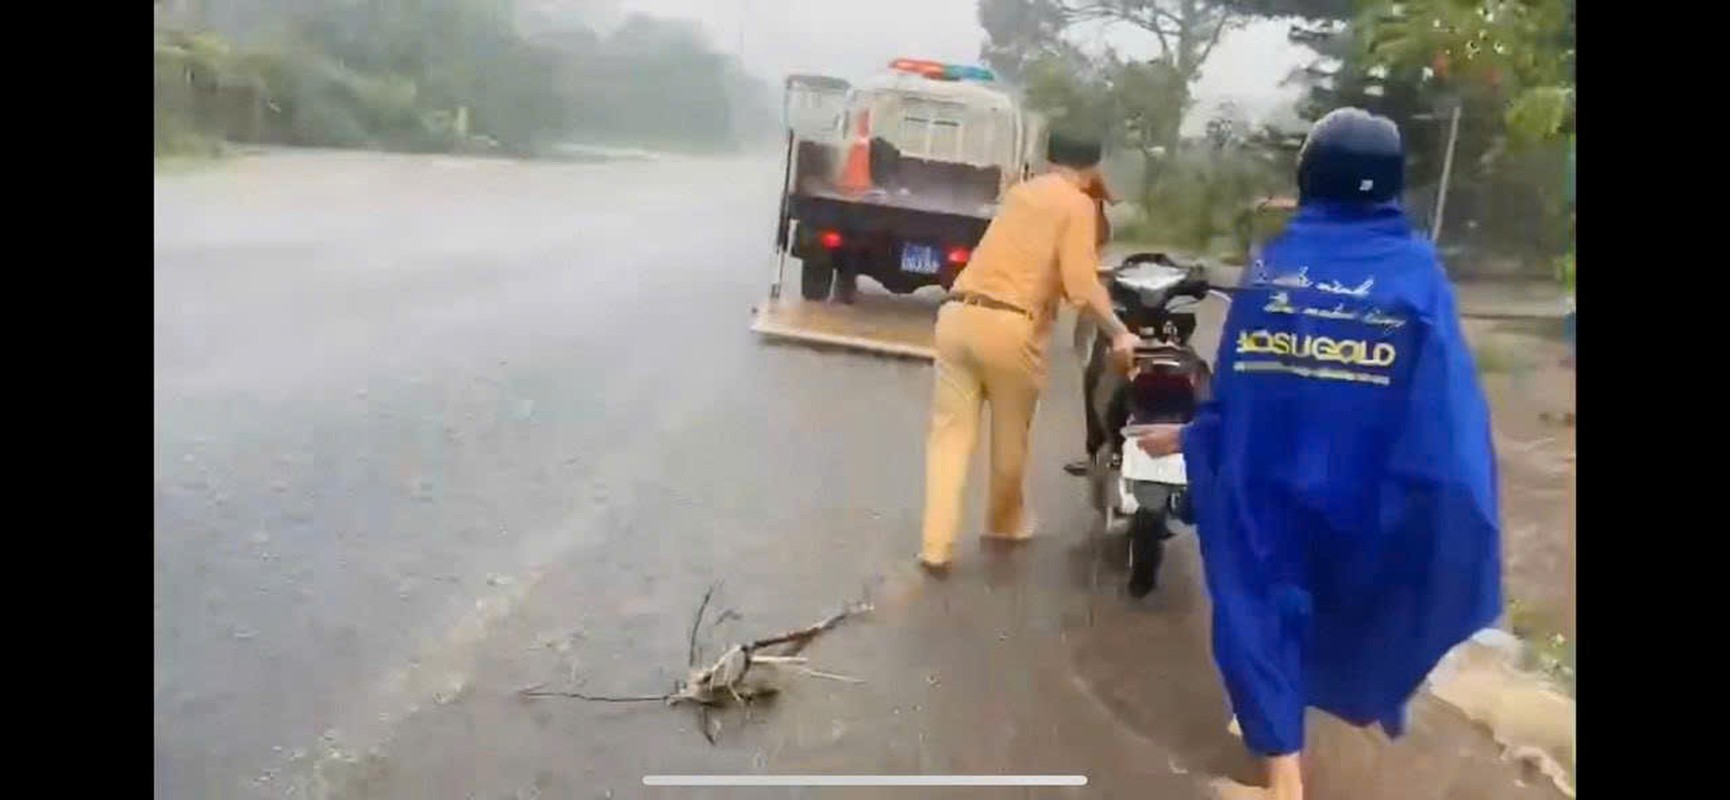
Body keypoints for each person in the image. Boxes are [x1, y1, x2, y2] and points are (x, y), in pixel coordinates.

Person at [1133, 108, 1501, 800]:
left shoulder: (1275, 269)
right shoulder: (1419, 276)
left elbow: (1242, 397)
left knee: (1256, 612)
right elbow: (1442, 406)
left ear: (1309, 177)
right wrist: (1454, 508)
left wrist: (1193, 438)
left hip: (1268, 488)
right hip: (1367, 494)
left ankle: (1283, 774)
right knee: (1352, 606)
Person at [918, 126, 1140, 571]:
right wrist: (1118, 331)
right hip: (1010, 327)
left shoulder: (1021, 193)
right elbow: (1080, 285)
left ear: (1049, 156)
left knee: (949, 438)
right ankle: (1003, 523)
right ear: (1095, 164)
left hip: (957, 315)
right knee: (1010, 435)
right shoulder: (1077, 205)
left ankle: (935, 547)